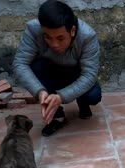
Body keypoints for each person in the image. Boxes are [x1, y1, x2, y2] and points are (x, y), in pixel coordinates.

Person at [12, 0, 102, 137]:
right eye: (47, 37)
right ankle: (58, 116)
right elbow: (20, 63)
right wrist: (40, 92)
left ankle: (83, 103)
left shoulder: (87, 36)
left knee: (93, 95)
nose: (54, 44)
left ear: (72, 31)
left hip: (76, 74)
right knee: (36, 66)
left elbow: (89, 74)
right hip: (51, 73)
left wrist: (61, 96)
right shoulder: (34, 29)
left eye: (60, 38)